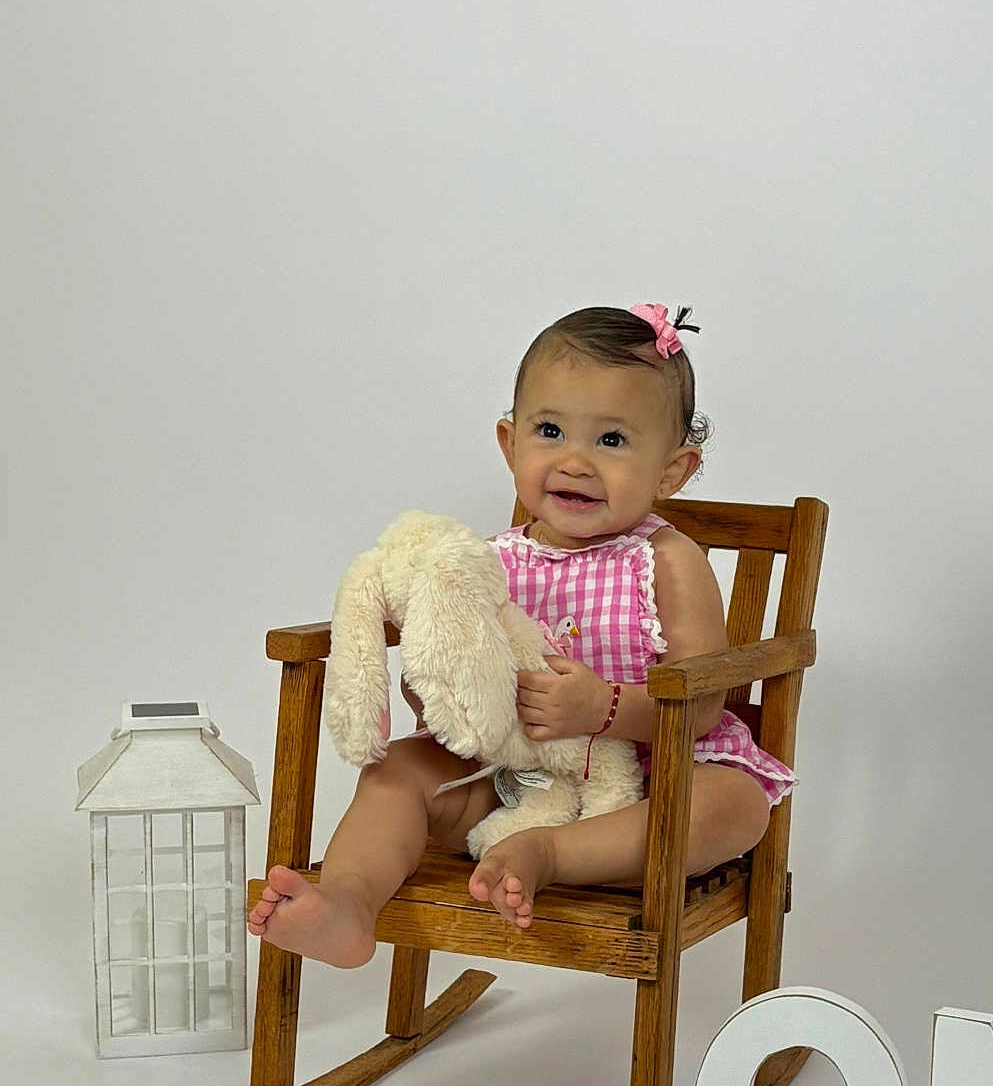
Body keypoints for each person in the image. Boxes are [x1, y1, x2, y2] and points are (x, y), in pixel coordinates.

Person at [245, 302, 795, 964]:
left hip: (654, 789)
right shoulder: (486, 562)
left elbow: (703, 701)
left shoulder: (668, 560)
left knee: (734, 805)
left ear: (671, 470)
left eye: (612, 440)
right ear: (511, 444)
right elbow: (449, 659)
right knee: (397, 769)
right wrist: (439, 689)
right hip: (516, 784)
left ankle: (551, 854)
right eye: (550, 430)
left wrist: (604, 707)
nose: (575, 461)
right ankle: (348, 902)